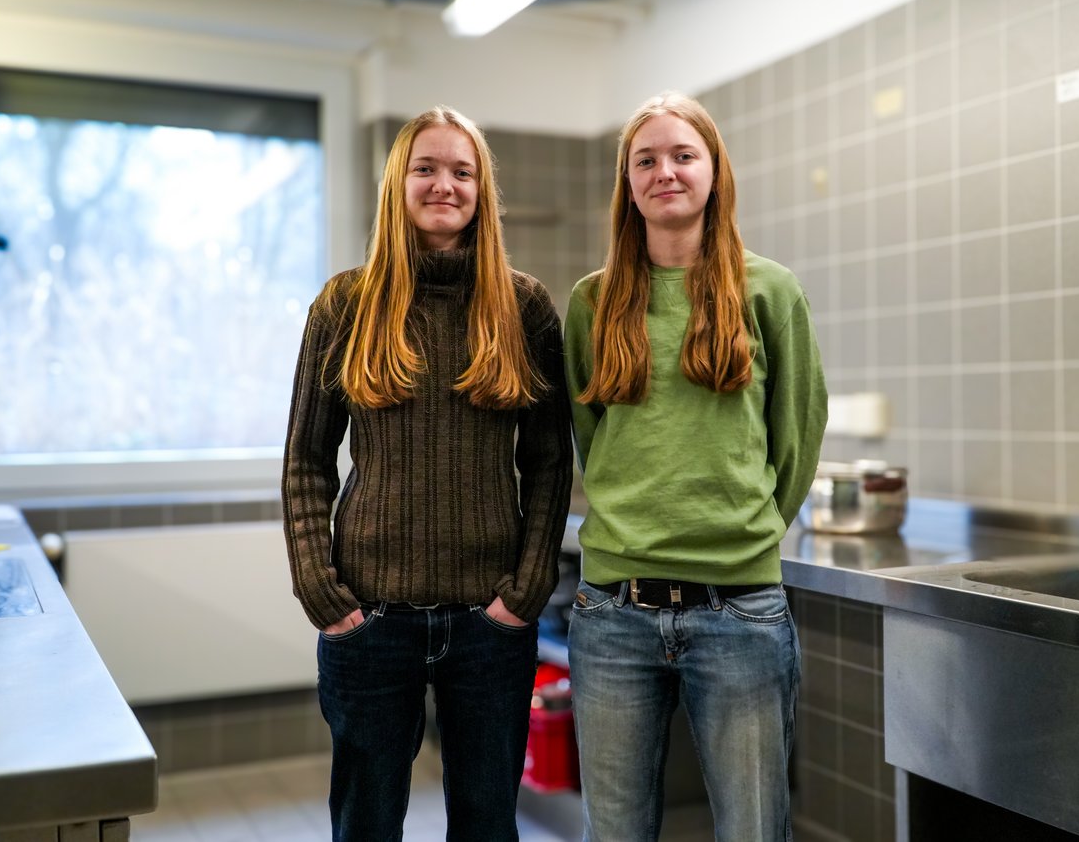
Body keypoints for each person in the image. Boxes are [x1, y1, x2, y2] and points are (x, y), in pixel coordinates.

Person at [282, 106, 573, 842]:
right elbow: (306, 462)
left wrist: (525, 590)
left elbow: (547, 461)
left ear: (482, 190)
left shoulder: (524, 306)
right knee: (366, 824)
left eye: (462, 171)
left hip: (490, 624)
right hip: (370, 619)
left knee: (485, 824)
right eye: (427, 168)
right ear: (398, 183)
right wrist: (323, 591)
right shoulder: (345, 305)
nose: (444, 185)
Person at [563, 91, 827, 842]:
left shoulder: (769, 290)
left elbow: (798, 432)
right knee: (614, 830)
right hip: (613, 610)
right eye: (645, 159)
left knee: (752, 828)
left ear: (715, 170)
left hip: (740, 607)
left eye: (684, 154)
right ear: (627, 182)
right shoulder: (593, 301)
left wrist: (751, 528)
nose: (665, 171)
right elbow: (592, 437)